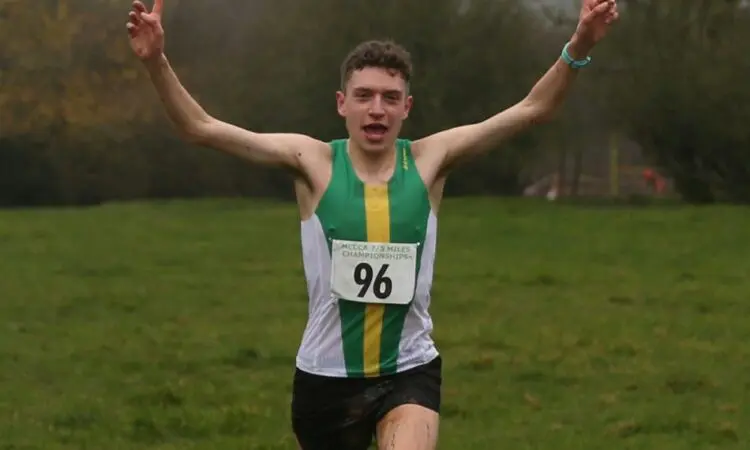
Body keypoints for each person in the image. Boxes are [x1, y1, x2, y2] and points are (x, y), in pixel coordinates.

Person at [126, 0, 618, 448]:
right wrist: (155, 62)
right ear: (342, 104)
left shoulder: (430, 160)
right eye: (363, 96)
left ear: (407, 107)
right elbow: (201, 128)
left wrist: (579, 45)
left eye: (389, 97)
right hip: (325, 379)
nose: (376, 109)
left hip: (408, 370)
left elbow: (533, 108)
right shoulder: (312, 162)